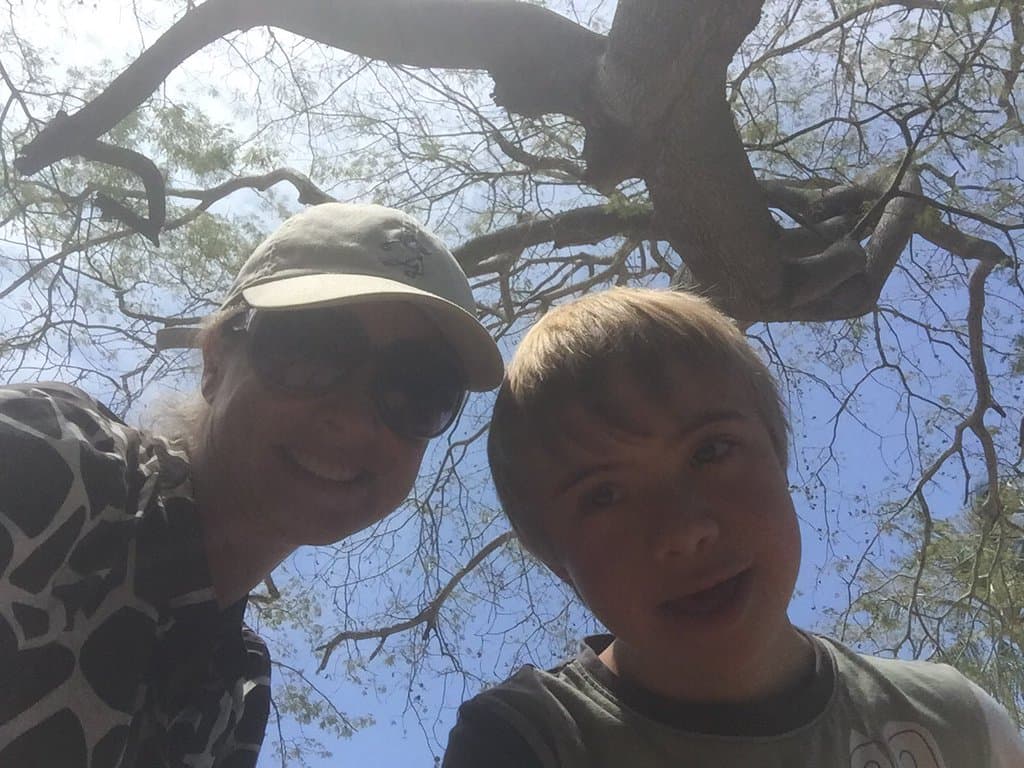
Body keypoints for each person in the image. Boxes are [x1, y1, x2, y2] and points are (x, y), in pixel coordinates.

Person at [0, 203, 503, 767]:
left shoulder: (238, 694)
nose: (356, 419)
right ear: (215, 360)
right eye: (309, 349)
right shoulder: (53, 461)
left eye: (419, 389)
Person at [444, 286, 1024, 768]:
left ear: (779, 457)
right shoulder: (527, 740)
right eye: (604, 495)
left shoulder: (954, 721)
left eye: (711, 452)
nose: (684, 531)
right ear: (555, 560)